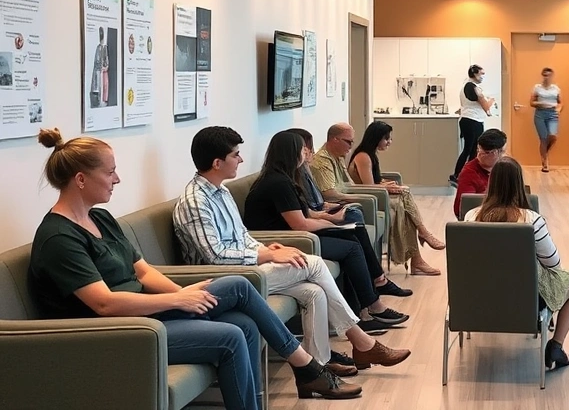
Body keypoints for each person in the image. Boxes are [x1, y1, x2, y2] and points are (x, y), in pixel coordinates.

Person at [28, 128, 359, 405]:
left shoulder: (99, 217)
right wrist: (176, 301)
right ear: (81, 179)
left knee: (241, 296)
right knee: (232, 333)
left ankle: (302, 370)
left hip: (147, 312)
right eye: (110, 171)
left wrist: (185, 293)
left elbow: (143, 272)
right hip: (120, 330)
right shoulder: (59, 237)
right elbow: (103, 303)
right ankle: (307, 368)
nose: (117, 179)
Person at [172, 126, 411, 373]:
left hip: (246, 266)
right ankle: (362, 341)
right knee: (315, 264)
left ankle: (319, 365)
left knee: (313, 291)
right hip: (224, 279)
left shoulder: (220, 191)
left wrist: (264, 247)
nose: (241, 159)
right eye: (236, 155)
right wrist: (267, 254)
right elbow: (215, 257)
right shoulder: (196, 201)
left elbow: (241, 236)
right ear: (217, 162)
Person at [243, 130, 411, 333]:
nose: (306, 155)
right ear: (292, 153)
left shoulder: (285, 179)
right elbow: (301, 225)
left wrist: (332, 219)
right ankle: (372, 307)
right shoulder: (278, 183)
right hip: (287, 240)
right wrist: (333, 225)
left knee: (354, 232)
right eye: (303, 151)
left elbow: (306, 214)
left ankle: (367, 304)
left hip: (295, 235)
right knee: (350, 248)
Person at [465, 157, 569, 371]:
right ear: (520, 184)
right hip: (525, 303)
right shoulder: (531, 220)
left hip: (476, 299)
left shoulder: (470, 217)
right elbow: (554, 263)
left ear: (491, 183)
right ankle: (556, 345)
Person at [286, 128, 410, 299]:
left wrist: (332, 211)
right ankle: (376, 287)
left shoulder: (307, 170)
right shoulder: (289, 180)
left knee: (357, 223)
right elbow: (304, 217)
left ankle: (376, 286)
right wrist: (331, 219)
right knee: (353, 232)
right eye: (307, 149)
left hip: (320, 214)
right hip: (304, 235)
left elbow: (313, 206)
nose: (311, 154)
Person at [349, 121, 445, 276]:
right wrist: (386, 187)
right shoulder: (363, 157)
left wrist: (387, 184)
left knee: (405, 206)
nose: (389, 142)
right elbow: (368, 186)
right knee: (405, 196)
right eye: (386, 139)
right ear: (376, 138)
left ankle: (418, 257)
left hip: (375, 195)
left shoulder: (371, 155)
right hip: (369, 199)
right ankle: (423, 237)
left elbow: (374, 181)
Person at [449, 64, 494, 185]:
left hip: (468, 120)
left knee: (472, 149)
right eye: (481, 74)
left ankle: (465, 175)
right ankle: (458, 175)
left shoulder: (465, 86)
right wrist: (492, 100)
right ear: (474, 74)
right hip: (473, 121)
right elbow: (486, 106)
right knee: (470, 150)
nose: (483, 76)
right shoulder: (474, 88)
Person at [453, 128, 507, 217]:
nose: (504, 155)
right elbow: (463, 208)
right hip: (480, 219)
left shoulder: (505, 167)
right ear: (494, 153)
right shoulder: (469, 173)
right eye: (503, 152)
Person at [531, 67, 562, 172]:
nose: (546, 77)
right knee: (543, 139)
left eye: (548, 75)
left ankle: (545, 152)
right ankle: (545, 162)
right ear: (542, 76)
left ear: (551, 76)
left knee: (553, 136)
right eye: (544, 75)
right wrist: (540, 103)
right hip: (540, 114)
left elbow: (560, 102)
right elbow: (531, 102)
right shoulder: (537, 88)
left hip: (552, 113)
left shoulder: (556, 89)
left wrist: (558, 110)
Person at [90, 27, 109, 108]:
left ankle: (103, 99)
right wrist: (99, 67)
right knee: (97, 86)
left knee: (104, 85)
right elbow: (97, 60)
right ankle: (97, 100)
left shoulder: (104, 48)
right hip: (98, 71)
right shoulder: (98, 48)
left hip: (103, 70)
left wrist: (105, 66)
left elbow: (106, 59)